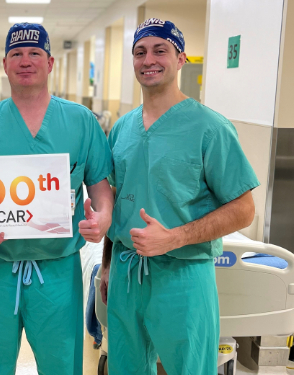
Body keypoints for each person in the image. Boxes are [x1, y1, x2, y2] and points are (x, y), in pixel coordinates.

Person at [99, 18, 260, 375]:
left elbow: (244, 209)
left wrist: (175, 237)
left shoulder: (210, 127)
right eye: (140, 52)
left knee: (189, 368)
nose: (149, 59)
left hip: (183, 276)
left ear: (181, 58)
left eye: (161, 50)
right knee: (126, 368)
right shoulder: (123, 128)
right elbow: (117, 196)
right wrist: (108, 264)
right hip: (126, 274)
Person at [0, 23, 114, 375]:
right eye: (17, 54)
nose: (26, 61)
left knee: (61, 366)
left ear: (50, 62)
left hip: (58, 271)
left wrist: (102, 219)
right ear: (6, 65)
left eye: (34, 53)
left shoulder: (81, 122)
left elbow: (101, 189)